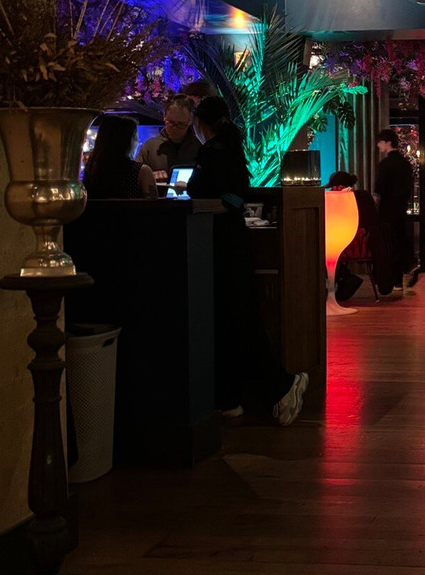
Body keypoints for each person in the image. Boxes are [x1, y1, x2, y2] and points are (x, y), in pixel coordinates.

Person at [187, 95, 308, 426]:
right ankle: (230, 397)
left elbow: (219, 196)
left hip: (220, 243)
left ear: (200, 123)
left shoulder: (212, 153)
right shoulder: (231, 150)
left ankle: (281, 385)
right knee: (235, 318)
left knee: (235, 320)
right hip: (234, 241)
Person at [374, 128, 419, 294]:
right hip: (401, 207)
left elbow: (378, 191)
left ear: (387, 142)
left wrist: (374, 208)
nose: (378, 146)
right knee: (399, 240)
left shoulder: (385, 165)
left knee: (389, 244)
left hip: (387, 209)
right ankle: (406, 269)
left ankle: (396, 278)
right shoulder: (405, 164)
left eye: (380, 142)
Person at [327, 170, 382, 302]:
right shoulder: (364, 196)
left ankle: (339, 282)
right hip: (366, 244)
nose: (331, 191)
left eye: (332, 188)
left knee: (323, 248)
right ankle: (343, 278)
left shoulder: (346, 201)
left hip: (355, 245)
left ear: (340, 187)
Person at [84, 115, 157, 200]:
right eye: (136, 138)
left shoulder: (91, 169)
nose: (137, 143)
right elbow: (154, 205)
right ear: (129, 141)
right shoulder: (141, 171)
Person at [136, 94, 201, 181]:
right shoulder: (149, 147)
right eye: (171, 123)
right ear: (164, 117)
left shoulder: (199, 147)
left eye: (181, 124)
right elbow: (134, 178)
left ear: (190, 121)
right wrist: (150, 176)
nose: (175, 128)